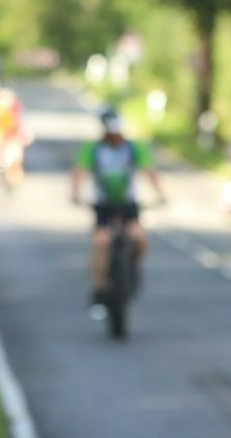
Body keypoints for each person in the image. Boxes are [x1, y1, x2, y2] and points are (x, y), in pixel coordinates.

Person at [68, 113, 166, 317]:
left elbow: (149, 170)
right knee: (101, 242)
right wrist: (75, 193)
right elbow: (80, 171)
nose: (116, 137)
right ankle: (99, 290)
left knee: (139, 238)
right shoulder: (94, 149)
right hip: (103, 204)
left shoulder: (133, 148)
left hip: (128, 203)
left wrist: (160, 193)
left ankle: (132, 268)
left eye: (118, 133)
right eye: (112, 134)